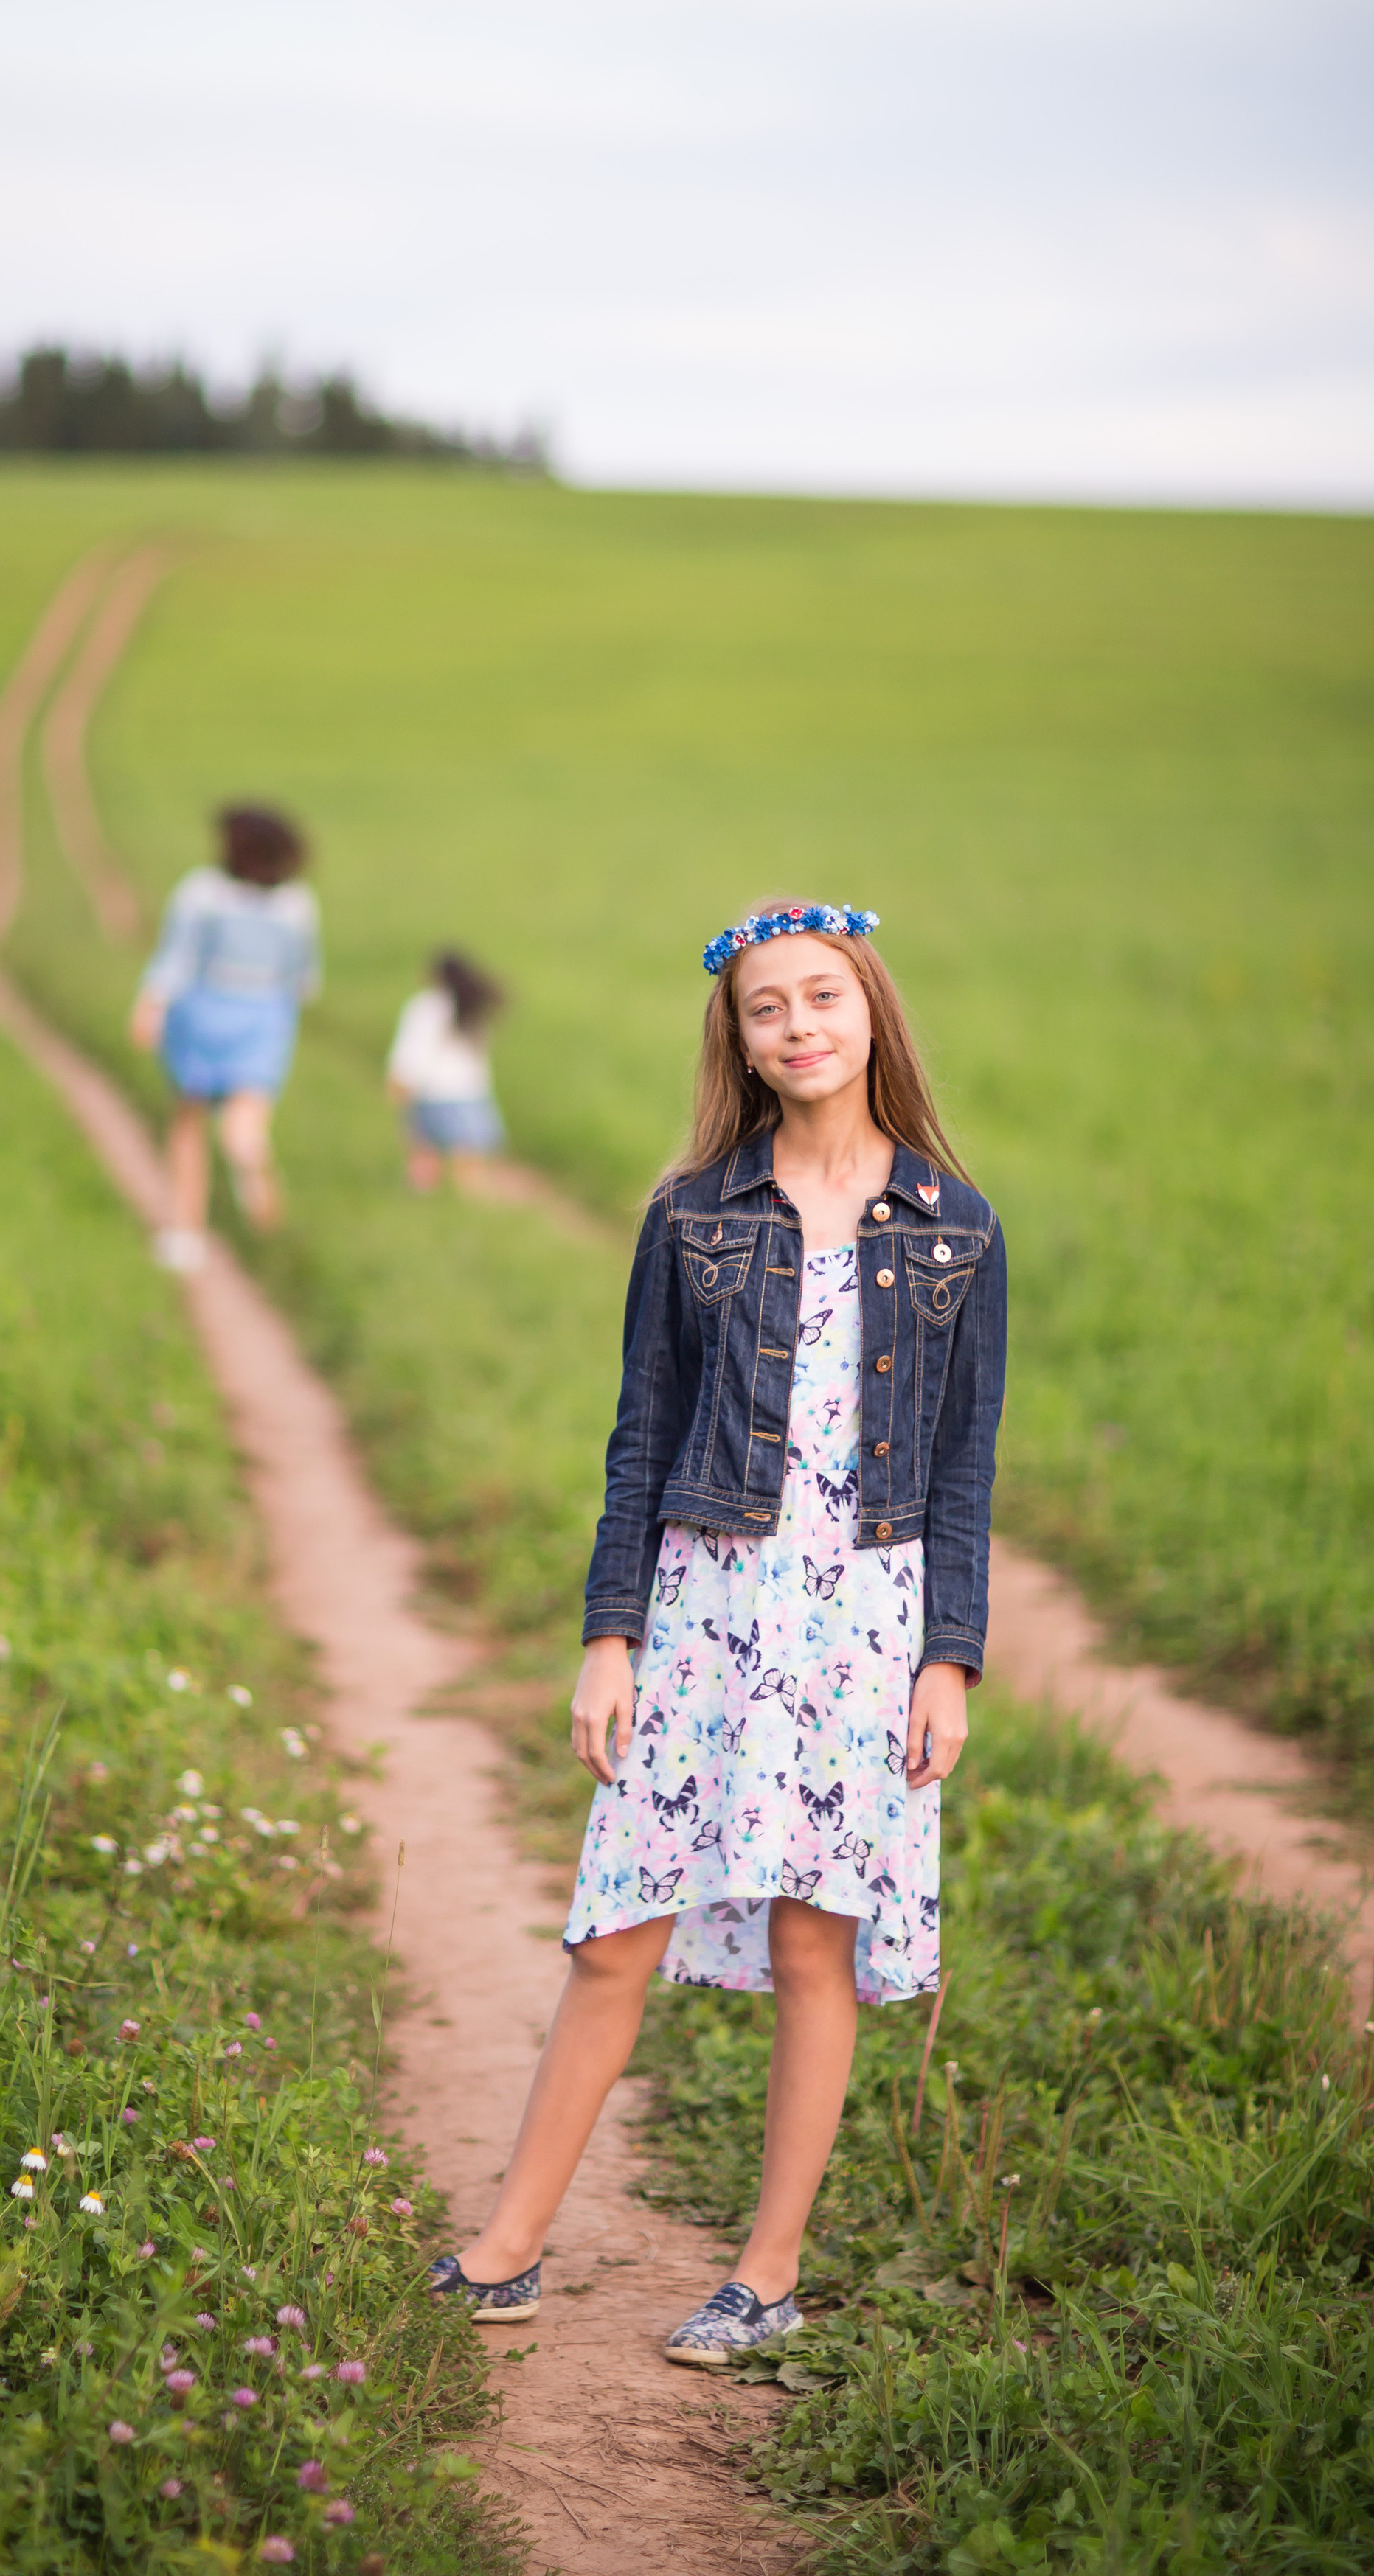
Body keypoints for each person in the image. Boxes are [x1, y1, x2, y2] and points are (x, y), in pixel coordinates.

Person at [428, 899, 1005, 2364]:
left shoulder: (951, 1229)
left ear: (869, 1009)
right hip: (703, 1611)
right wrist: (606, 1632)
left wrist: (948, 1658)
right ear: (736, 1039)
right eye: (766, 1007)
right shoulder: (691, 1213)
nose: (798, 1024)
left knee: (817, 1950)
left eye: (822, 996)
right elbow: (640, 1435)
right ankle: (505, 2250)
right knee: (612, 1934)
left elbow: (959, 1464)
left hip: (863, 1624)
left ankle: (766, 2269)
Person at [130, 804, 320, 1269]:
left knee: (188, 1122)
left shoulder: (201, 892)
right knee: (246, 1121)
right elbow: (304, 979)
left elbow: (175, 956)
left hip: (201, 1010)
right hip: (263, 1016)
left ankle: (184, 1230)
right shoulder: (296, 903)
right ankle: (253, 1173)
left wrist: (150, 1005)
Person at [386, 951, 508, 1193]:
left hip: (432, 1093)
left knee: (423, 1158)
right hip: (470, 1094)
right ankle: (472, 1210)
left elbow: (413, 1049)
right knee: (470, 1168)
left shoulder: (426, 1006)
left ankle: (422, 1206)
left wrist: (398, 1083)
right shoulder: (470, 1005)